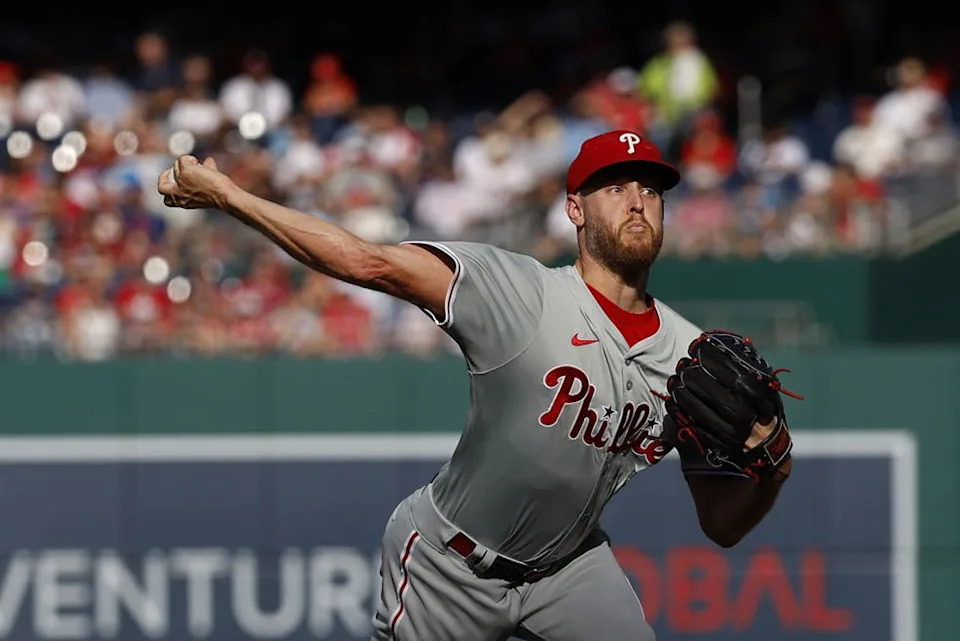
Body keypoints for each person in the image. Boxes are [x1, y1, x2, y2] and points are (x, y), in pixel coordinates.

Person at [158, 129, 794, 641]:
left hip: (570, 567)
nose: (636, 200)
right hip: (450, 564)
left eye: (651, 189)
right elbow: (367, 260)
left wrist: (771, 471)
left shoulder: (690, 358)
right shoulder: (518, 291)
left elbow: (722, 526)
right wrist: (227, 196)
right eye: (614, 187)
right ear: (575, 208)